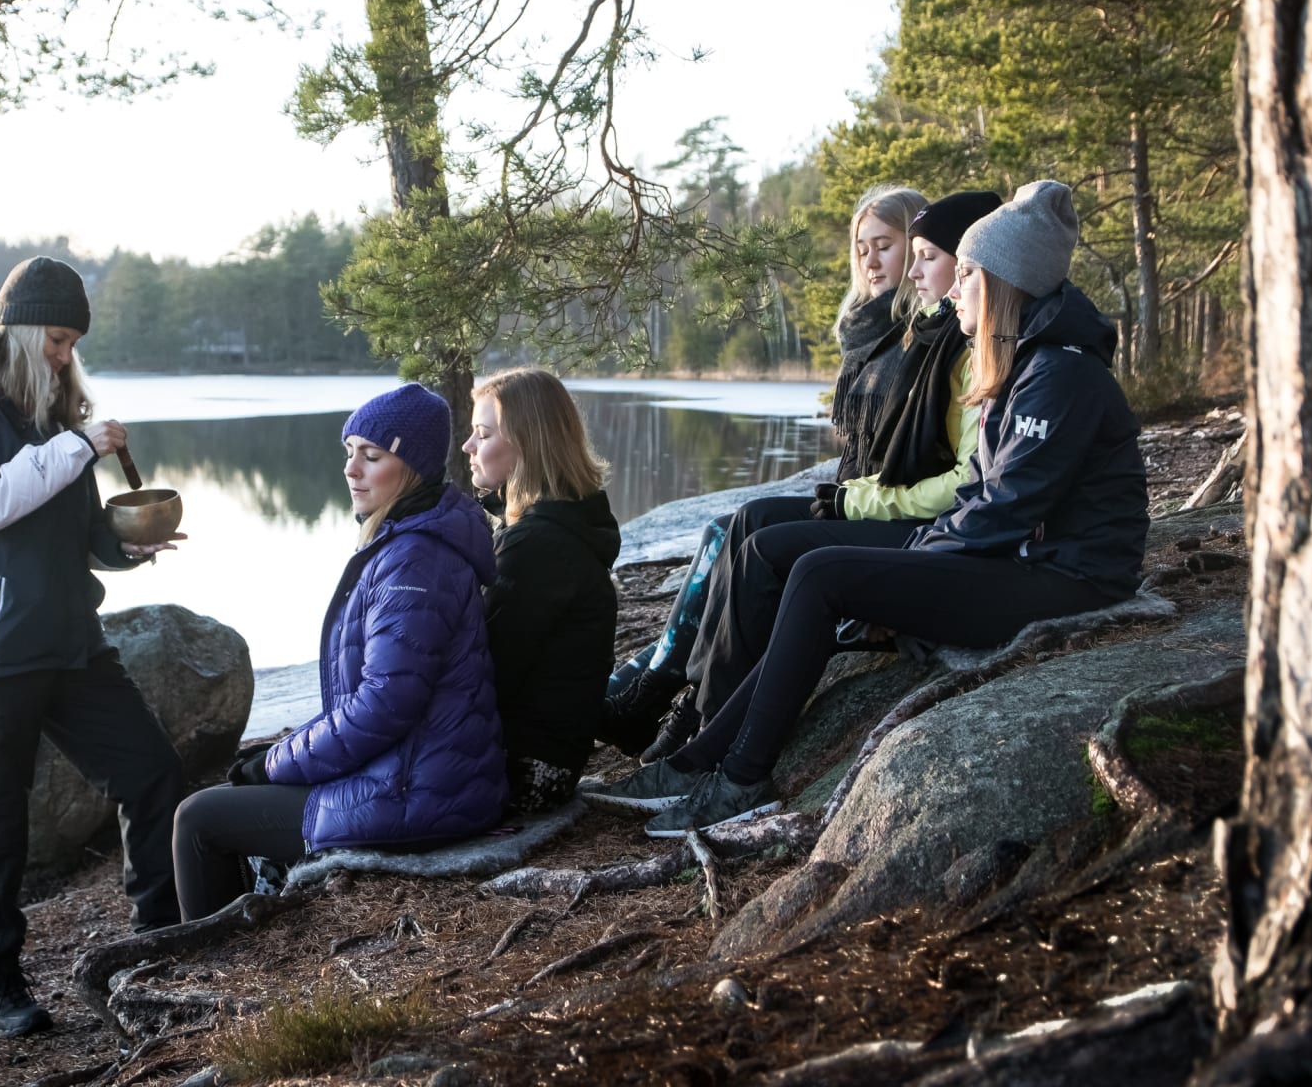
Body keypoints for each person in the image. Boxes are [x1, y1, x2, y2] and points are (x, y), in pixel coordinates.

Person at [586, 179, 1150, 834]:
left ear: (1000, 283)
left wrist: (914, 563)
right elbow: (983, 497)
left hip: (1068, 580)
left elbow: (1004, 512)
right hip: (1028, 563)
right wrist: (913, 564)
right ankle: (698, 760)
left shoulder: (1060, 374)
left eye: (964, 272)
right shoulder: (1026, 362)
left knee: (822, 574)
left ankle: (742, 778)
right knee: (819, 571)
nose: (951, 285)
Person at [603, 189, 1004, 763]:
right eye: (862, 248)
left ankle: (696, 719)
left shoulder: (941, 340)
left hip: (902, 516)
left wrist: (857, 506)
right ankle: (681, 699)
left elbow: (957, 473)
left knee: (762, 545)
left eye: (889, 247)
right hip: (865, 500)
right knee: (739, 522)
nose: (874, 261)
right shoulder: (870, 335)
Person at [0, 256, 186, 1038]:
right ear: (23, 329)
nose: (66, 355)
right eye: (58, 339)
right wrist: (80, 445)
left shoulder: (49, 409)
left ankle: (155, 943)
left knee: (151, 770)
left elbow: (77, 529)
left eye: (71, 343)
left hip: (69, 641)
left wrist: (123, 548)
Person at [172, 383, 509, 920]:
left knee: (198, 819)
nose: (352, 470)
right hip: (422, 776)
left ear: (413, 469)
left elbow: (385, 703)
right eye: (349, 452)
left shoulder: (414, 561)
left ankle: (209, 971)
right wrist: (281, 754)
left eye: (372, 456)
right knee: (231, 793)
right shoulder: (407, 542)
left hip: (418, 794)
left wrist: (276, 763)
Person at [462, 368, 621, 814]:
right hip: (546, 759)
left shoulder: (537, 545)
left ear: (527, 442)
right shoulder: (561, 524)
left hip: (525, 770)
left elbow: (487, 672)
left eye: (482, 434)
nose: (468, 447)